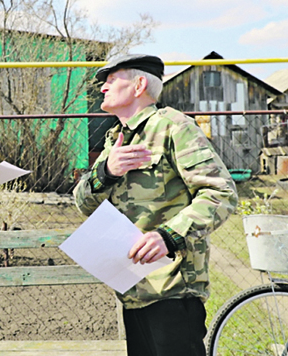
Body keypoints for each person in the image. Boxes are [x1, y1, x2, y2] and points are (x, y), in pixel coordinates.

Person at [73, 54, 238, 356]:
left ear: (139, 84)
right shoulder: (116, 139)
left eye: (111, 79)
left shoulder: (175, 127)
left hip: (172, 291)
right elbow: (82, 203)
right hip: (132, 288)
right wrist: (105, 172)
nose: (102, 88)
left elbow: (220, 193)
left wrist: (168, 236)